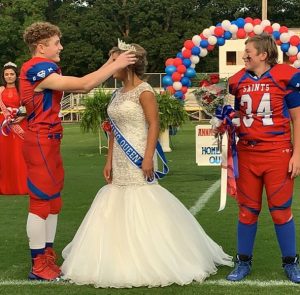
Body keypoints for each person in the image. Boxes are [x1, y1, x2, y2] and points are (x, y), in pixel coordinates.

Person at [61, 41, 233, 288]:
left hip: (139, 152)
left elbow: (154, 124)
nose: (111, 66)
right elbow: (113, 130)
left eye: (114, 61)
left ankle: (154, 255)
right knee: (116, 197)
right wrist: (108, 159)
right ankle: (117, 255)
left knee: (141, 196)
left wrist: (149, 156)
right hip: (119, 156)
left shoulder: (145, 91)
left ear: (128, 65)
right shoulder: (116, 93)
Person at [19, 21, 137, 281]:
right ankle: (38, 263)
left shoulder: (42, 67)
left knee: (53, 201)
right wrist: (115, 66)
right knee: (40, 202)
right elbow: (84, 85)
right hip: (40, 139)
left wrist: (110, 63)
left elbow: (85, 81)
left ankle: (46, 255)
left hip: (48, 139)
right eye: (56, 43)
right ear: (41, 47)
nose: (61, 47)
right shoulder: (37, 68)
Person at [226, 33, 300, 283]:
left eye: (248, 50)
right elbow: (233, 114)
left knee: (280, 211)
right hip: (247, 153)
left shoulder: (285, 76)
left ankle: (290, 263)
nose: (244, 55)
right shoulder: (236, 81)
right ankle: (243, 261)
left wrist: (297, 154)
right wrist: (222, 121)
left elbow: (297, 118)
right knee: (247, 211)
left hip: (277, 153)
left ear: (263, 55)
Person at [0, 62, 27, 195]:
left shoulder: (22, 89)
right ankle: (5, 186)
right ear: (3, 76)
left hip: (20, 123)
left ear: (16, 75)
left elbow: (27, 105)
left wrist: (22, 116)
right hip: (4, 127)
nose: (9, 76)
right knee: (5, 154)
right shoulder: (0, 90)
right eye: (7, 74)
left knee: (20, 154)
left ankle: (22, 185)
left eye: (12, 74)